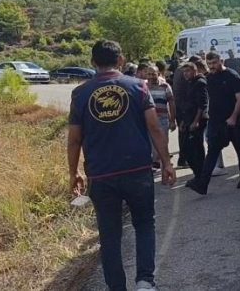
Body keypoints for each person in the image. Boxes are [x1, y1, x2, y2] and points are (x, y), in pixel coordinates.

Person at [67, 40, 175, 291]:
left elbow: (74, 140)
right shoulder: (138, 86)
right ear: (121, 61)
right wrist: (167, 162)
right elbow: (154, 127)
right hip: (137, 170)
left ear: (93, 63)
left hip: (101, 174)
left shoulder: (80, 94)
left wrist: (74, 173)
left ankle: (116, 287)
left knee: (109, 234)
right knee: (145, 223)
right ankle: (145, 281)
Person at [186, 51, 240, 194]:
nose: (212, 66)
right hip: (217, 122)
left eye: (214, 63)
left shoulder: (232, 76)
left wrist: (234, 117)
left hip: (232, 121)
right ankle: (202, 184)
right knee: (212, 152)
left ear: (221, 61)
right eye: (209, 64)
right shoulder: (209, 78)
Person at [179, 61, 208, 178]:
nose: (185, 74)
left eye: (188, 71)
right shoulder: (189, 83)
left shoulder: (200, 83)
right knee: (187, 150)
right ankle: (198, 173)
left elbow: (202, 104)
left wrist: (196, 121)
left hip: (197, 121)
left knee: (196, 149)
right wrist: (183, 121)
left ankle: (200, 174)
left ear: (194, 71)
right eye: (184, 72)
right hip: (188, 119)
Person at [172, 56, 201, 168]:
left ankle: (183, 159)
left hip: (180, 106)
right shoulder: (184, 72)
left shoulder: (179, 70)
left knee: (183, 134)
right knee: (186, 134)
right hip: (184, 108)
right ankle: (185, 159)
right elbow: (184, 92)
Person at [145, 65, 176, 170]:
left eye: (153, 74)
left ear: (158, 74)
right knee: (149, 144)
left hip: (162, 119)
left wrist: (172, 120)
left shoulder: (165, 86)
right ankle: (154, 163)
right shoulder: (143, 87)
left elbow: (171, 103)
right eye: (149, 74)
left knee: (163, 143)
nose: (151, 76)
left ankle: (165, 166)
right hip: (147, 120)